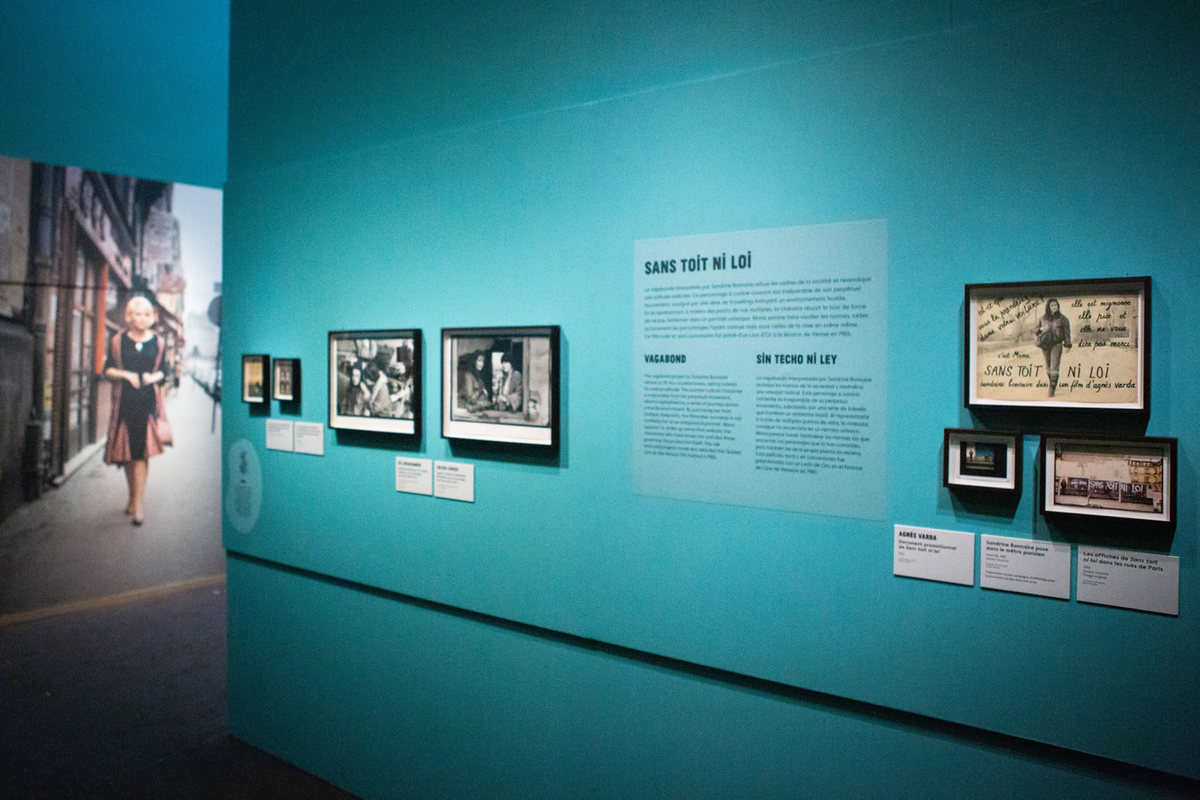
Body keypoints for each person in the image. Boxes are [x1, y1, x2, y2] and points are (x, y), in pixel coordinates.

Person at [103, 296, 172, 525]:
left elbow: (165, 371)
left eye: (146, 315)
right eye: (137, 314)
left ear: (151, 318)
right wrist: (127, 375)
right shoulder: (117, 341)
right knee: (127, 454)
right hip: (124, 403)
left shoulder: (158, 342)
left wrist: (153, 377)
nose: (141, 319)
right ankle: (132, 496)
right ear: (129, 317)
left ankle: (139, 503)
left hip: (147, 404)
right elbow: (107, 370)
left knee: (141, 453)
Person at [1035, 298, 1072, 397]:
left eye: (1056, 305)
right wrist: (1041, 329)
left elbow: (1067, 333)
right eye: (1052, 305)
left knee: (1054, 367)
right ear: (1048, 307)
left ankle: (1051, 390)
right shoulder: (1042, 319)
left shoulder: (1063, 319)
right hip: (1045, 345)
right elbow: (1035, 331)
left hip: (1057, 344)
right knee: (1048, 367)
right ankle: (1053, 383)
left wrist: (1068, 344)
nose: (1054, 307)